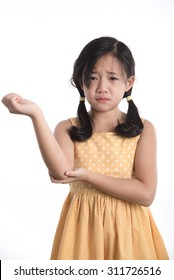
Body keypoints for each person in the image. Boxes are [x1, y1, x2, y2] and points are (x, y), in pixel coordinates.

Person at [2, 36, 169, 260]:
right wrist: (36, 115)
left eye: (112, 78)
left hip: (130, 231)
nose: (102, 87)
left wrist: (88, 176)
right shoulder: (67, 128)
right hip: (82, 233)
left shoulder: (143, 129)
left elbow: (146, 194)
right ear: (81, 81)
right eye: (92, 77)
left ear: (129, 83)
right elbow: (61, 172)